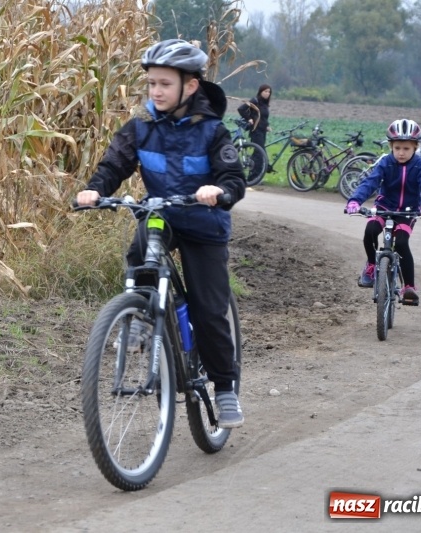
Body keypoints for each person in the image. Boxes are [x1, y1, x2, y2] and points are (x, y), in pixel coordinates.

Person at [76, 39, 247, 429]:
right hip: (163, 216)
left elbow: (233, 178)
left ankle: (224, 388)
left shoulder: (214, 132)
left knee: (208, 309)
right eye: (152, 83)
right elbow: (114, 163)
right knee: (140, 254)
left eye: (165, 84)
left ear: (190, 86)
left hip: (204, 224)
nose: (156, 91)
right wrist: (96, 188)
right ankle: (139, 315)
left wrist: (219, 192)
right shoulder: (141, 126)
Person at [346, 119, 421, 306]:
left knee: (402, 243)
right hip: (384, 206)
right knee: (370, 231)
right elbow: (370, 182)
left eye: (406, 148)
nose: (401, 153)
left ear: (415, 147)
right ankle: (372, 265)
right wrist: (355, 201)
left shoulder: (419, 165)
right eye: (397, 148)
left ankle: (408, 287)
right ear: (391, 146)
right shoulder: (386, 163)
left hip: (408, 211)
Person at [237, 84, 272, 180]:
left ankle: (256, 176)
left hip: (263, 131)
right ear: (260, 91)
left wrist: (267, 125)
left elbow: (263, 117)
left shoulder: (265, 104)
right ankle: (253, 177)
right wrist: (249, 118)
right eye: (265, 91)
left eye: (269, 92)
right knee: (259, 153)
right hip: (256, 131)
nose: (267, 94)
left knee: (259, 153)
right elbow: (241, 109)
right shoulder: (254, 101)